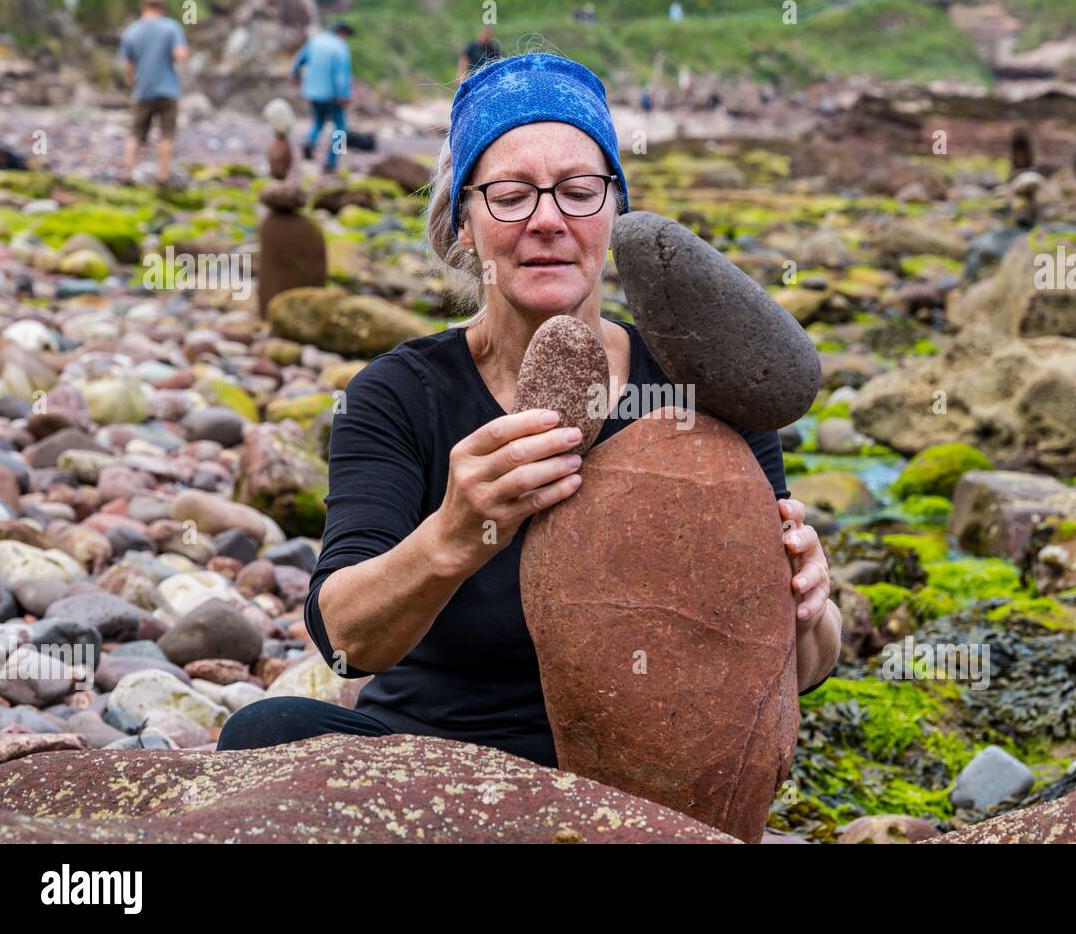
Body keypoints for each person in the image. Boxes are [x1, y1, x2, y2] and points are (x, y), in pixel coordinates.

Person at [218, 52, 842, 768]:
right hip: (433, 767)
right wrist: (453, 534)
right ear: (463, 223)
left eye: (578, 190)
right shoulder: (400, 393)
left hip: (631, 780)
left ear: (615, 210)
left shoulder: (702, 391)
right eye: (511, 195)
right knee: (262, 737)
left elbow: (810, 669)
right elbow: (348, 647)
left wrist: (807, 610)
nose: (547, 220)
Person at [118, 0, 188, 186]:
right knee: (167, 134)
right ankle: (162, 176)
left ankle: (127, 172)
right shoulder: (171, 28)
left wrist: (134, 83)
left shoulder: (131, 30)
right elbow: (180, 55)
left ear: (143, 6)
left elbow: (128, 65)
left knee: (136, 133)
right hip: (168, 89)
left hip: (143, 89)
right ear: (162, 8)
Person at [291, 18, 354, 174]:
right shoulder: (340, 47)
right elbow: (342, 75)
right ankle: (331, 161)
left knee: (318, 122)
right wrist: (344, 94)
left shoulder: (315, 41)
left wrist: (295, 75)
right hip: (333, 94)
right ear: (341, 32)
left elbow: (299, 60)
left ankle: (310, 141)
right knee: (340, 128)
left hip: (312, 91)